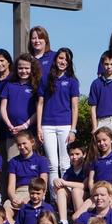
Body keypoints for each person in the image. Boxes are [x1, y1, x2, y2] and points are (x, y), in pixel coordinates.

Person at [37, 48, 80, 191]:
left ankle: (67, 197)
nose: (63, 62)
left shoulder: (72, 81)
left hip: (65, 125)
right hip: (47, 125)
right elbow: (40, 104)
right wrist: (38, 127)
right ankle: (55, 199)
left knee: (65, 163)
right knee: (52, 164)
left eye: (66, 59)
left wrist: (73, 129)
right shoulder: (45, 79)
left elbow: (74, 107)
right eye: (61, 58)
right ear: (56, 59)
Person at [0, 54, 42, 160]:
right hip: (12, 133)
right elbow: (3, 108)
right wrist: (9, 125)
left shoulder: (35, 86)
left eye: (27, 68)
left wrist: (25, 125)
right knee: (12, 163)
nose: (23, 71)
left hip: (29, 132)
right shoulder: (9, 85)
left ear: (32, 69)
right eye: (20, 68)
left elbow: (39, 110)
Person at [88, 51, 112, 140]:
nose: (109, 67)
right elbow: (93, 107)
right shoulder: (96, 83)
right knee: (102, 149)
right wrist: (94, 126)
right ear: (102, 64)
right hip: (101, 121)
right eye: (106, 64)